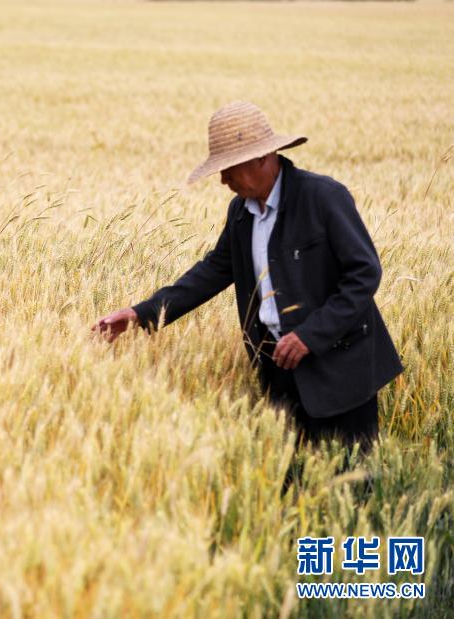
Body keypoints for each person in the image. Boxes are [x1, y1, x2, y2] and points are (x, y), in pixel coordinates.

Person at [92, 101, 403, 491]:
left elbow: (364, 273)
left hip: (341, 371)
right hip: (280, 370)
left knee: (354, 487)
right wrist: (142, 314)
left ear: (263, 158)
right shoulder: (240, 213)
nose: (223, 179)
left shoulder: (323, 198)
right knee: (295, 488)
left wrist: (310, 335)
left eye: (229, 166)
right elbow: (212, 272)